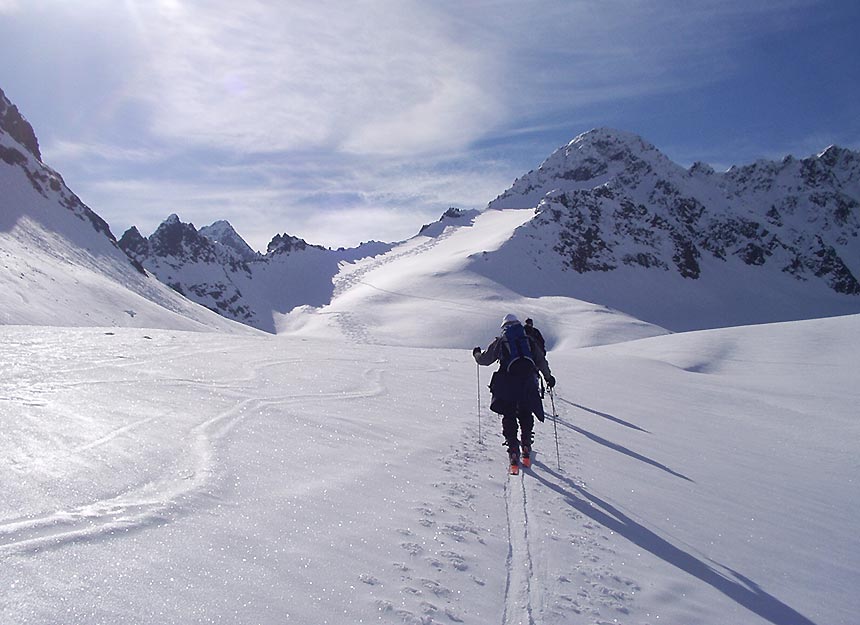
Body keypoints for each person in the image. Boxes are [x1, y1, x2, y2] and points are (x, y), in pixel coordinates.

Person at [473, 314, 555, 469]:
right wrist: (548, 377)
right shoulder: (529, 340)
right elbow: (541, 360)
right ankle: (525, 444)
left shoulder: (501, 341)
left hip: (508, 383)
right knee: (525, 412)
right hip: (529, 382)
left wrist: (477, 354)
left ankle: (513, 449)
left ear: (504, 327)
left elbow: (485, 360)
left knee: (509, 414)